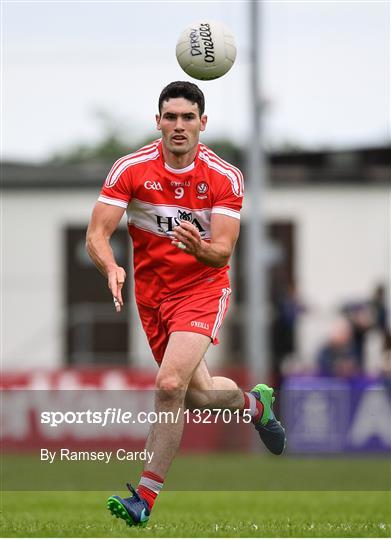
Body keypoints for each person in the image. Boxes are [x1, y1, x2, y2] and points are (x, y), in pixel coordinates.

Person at [86, 81, 286, 527]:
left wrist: (200, 249)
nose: (179, 126)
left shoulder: (224, 176)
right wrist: (111, 267)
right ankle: (257, 406)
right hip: (151, 295)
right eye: (170, 117)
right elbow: (96, 234)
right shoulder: (130, 169)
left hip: (201, 288)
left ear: (203, 123)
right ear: (157, 121)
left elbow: (222, 252)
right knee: (195, 394)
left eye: (187, 117)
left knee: (169, 383)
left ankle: (145, 496)